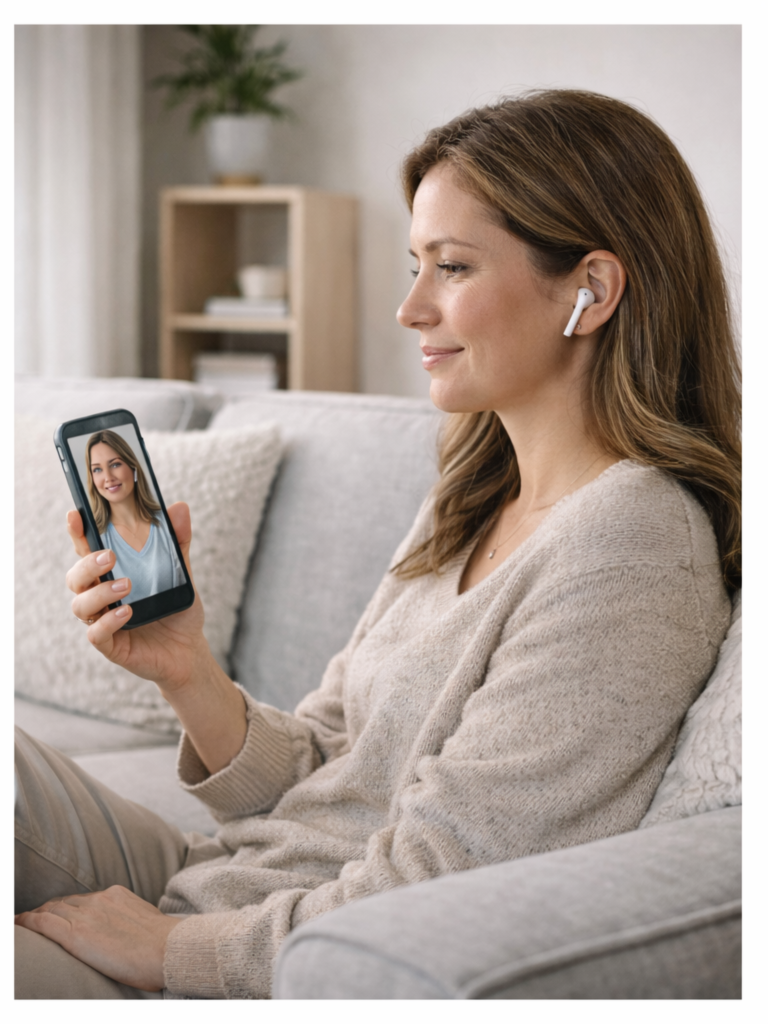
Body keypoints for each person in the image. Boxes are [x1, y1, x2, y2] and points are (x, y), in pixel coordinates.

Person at [15, 89, 740, 999]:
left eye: (452, 268)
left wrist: (168, 952)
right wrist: (185, 668)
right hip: (221, 877)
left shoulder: (635, 545)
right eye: (415, 266)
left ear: (590, 290)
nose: (409, 309)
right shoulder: (471, 493)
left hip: (263, 951)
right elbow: (324, 757)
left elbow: (443, 880)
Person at [84, 429, 184, 603]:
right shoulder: (97, 541)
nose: (108, 477)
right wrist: (90, 618)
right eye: (97, 469)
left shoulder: (166, 523)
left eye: (115, 464)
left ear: (133, 467)